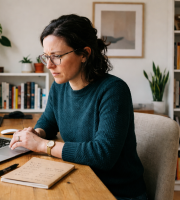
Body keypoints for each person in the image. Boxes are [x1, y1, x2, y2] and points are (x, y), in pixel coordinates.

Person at [9, 14, 147, 200]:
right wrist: (37, 133)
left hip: (115, 193)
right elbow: (49, 122)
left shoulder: (114, 90)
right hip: (79, 180)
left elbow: (102, 155)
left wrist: (42, 145)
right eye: (46, 57)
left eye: (56, 57)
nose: (49, 65)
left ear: (84, 54)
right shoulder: (59, 87)